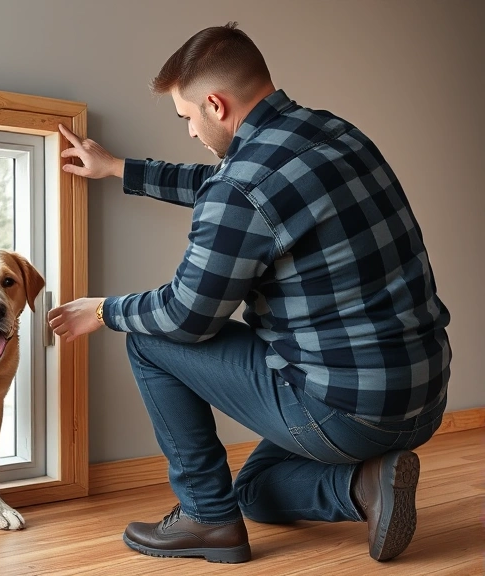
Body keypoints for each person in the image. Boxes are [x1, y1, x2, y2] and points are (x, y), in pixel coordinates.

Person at [47, 22, 450, 564]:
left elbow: (188, 317)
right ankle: (367, 484)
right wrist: (121, 169)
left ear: (215, 104)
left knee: (147, 336)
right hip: (423, 397)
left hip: (347, 410)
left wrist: (103, 310)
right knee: (256, 489)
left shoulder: (241, 185)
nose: (189, 132)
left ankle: (206, 520)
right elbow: (229, 186)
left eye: (187, 118)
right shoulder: (336, 133)